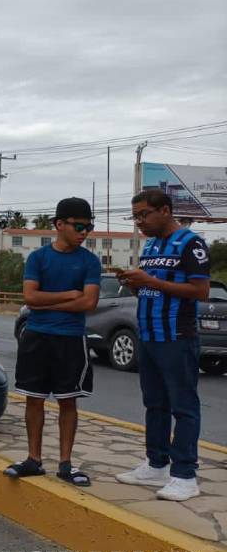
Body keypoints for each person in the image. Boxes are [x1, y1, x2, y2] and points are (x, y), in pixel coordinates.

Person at [115, 190, 210, 501]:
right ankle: (157, 464)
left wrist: (151, 282)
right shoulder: (152, 245)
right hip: (149, 335)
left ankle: (185, 475)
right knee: (154, 404)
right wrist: (135, 284)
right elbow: (150, 291)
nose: (140, 222)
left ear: (165, 211)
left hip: (177, 337)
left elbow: (200, 291)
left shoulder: (190, 243)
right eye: (136, 216)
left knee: (184, 407)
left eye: (144, 215)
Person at [4, 197, 101, 487]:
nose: (85, 232)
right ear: (59, 225)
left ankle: (66, 465)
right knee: (34, 400)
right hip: (37, 338)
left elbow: (90, 302)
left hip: (71, 340)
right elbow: (30, 298)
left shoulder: (90, 261)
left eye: (89, 227)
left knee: (67, 402)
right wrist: (69, 295)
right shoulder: (38, 258)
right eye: (79, 226)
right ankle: (33, 460)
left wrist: (48, 302)